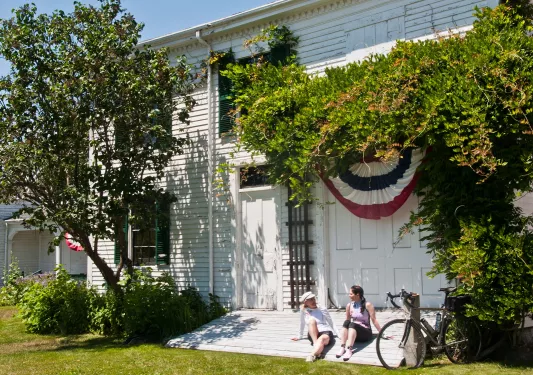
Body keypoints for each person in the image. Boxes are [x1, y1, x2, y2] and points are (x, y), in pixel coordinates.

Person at [336, 285, 382, 361]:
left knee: (352, 324)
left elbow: (374, 320)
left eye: (351, 294)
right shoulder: (349, 305)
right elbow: (347, 321)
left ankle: (349, 350)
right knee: (346, 322)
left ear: (357, 295)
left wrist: (381, 332)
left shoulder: (368, 305)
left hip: (365, 334)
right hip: (354, 334)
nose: (349, 295)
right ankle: (342, 347)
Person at [291, 291, 339, 362]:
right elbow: (302, 323)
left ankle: (312, 355)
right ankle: (317, 348)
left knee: (322, 339)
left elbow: (330, 322)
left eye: (313, 299)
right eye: (310, 299)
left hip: (325, 331)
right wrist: (299, 336)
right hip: (313, 334)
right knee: (312, 320)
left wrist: (339, 334)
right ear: (305, 302)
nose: (313, 301)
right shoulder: (304, 310)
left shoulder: (322, 308)